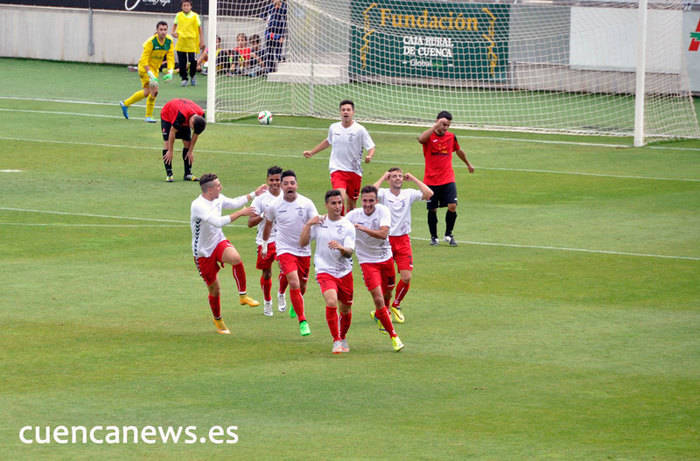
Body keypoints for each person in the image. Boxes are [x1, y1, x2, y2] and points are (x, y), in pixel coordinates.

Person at [190, 173, 267, 335]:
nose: (221, 187)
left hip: (218, 241)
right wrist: (241, 213)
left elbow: (233, 203)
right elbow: (217, 222)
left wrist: (254, 193)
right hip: (203, 252)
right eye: (218, 185)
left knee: (236, 258)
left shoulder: (217, 198)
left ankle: (243, 295)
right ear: (209, 190)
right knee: (214, 289)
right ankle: (218, 320)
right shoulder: (198, 205)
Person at [346, 185, 405, 352]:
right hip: (367, 262)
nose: (367, 204)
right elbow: (338, 224)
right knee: (378, 298)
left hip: (385, 259)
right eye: (364, 201)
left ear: (376, 201)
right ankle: (394, 336)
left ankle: (381, 314)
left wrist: (363, 228)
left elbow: (384, 234)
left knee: (387, 294)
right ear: (361, 201)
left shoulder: (383, 211)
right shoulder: (353, 216)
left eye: (371, 201)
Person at [373, 168, 433, 323]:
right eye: (394, 176)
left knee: (406, 277)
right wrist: (382, 177)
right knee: (386, 280)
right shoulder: (384, 193)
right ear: (389, 179)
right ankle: (383, 308)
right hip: (385, 240)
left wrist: (413, 178)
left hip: (403, 241)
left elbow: (429, 194)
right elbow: (369, 193)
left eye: (399, 176)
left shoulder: (409, 193)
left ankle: (396, 305)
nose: (398, 178)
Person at [262, 170, 318, 336]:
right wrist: (265, 244)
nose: (289, 186)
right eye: (285, 184)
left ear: (296, 185)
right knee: (293, 282)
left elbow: (315, 221)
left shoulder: (306, 203)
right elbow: (268, 225)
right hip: (285, 249)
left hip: (304, 249)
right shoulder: (275, 206)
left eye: (292, 183)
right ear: (281, 186)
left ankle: (296, 302)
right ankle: (303, 321)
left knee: (302, 286)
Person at [299, 190, 356, 354]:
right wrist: (309, 224)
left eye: (340, 203)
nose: (338, 206)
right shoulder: (319, 223)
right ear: (326, 205)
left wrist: (340, 248)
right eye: (334, 203)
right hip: (324, 270)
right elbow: (302, 243)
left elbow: (350, 251)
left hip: (344, 272)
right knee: (331, 302)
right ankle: (336, 340)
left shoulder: (347, 226)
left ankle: (343, 336)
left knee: (345, 309)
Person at [303, 100, 376, 214]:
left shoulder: (360, 130)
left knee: (352, 206)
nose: (345, 112)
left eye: (348, 110)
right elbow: (328, 141)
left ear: (353, 112)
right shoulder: (334, 127)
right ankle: (340, 224)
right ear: (340, 112)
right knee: (340, 198)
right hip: (337, 169)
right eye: (343, 110)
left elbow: (371, 146)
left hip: (354, 171)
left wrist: (369, 156)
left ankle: (349, 226)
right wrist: (312, 152)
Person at [418, 110, 475, 247]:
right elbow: (421, 139)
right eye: (443, 124)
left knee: (453, 206)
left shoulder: (451, 137)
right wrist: (434, 127)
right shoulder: (429, 137)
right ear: (437, 121)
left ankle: (448, 234)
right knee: (432, 209)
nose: (445, 128)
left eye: (447, 125)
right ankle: (434, 237)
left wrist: (468, 163)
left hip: (448, 178)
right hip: (431, 180)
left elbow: (458, 150)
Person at [247, 166, 288, 317]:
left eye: (277, 180)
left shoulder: (288, 195)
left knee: (286, 269)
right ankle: (267, 301)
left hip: (284, 239)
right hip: (265, 240)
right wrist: (263, 215)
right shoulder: (260, 199)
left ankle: (281, 293)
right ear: (267, 180)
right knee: (267, 273)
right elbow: (250, 223)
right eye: (272, 180)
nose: (275, 183)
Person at [120, 21, 174, 123]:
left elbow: (170, 57)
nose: (163, 32)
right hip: (145, 68)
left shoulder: (169, 41)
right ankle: (148, 116)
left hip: (155, 69)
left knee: (146, 92)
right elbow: (144, 59)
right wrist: (150, 73)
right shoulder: (151, 42)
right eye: (161, 30)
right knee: (154, 90)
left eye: (165, 30)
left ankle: (125, 104)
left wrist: (170, 71)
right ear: (156, 31)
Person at [160, 98, 206, 182]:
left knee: (187, 144)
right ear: (191, 122)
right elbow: (172, 132)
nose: (191, 129)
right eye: (191, 128)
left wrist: (190, 151)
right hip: (168, 114)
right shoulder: (181, 116)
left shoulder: (201, 116)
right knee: (167, 144)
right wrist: (170, 150)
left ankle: (188, 174)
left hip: (184, 115)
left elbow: (196, 134)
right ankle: (169, 174)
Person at [172, 0, 204, 86]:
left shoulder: (195, 16)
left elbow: (199, 29)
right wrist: (173, 32)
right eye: (184, 5)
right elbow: (175, 24)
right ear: (182, 7)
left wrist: (202, 40)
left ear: (191, 6)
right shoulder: (178, 15)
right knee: (182, 62)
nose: (186, 7)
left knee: (193, 61)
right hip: (181, 41)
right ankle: (184, 78)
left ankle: (192, 75)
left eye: (188, 5)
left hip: (192, 42)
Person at [263, 0, 287, 73]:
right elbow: (264, 17)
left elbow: (285, 23)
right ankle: (269, 71)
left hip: (279, 33)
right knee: (269, 53)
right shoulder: (269, 7)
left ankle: (281, 69)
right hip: (269, 33)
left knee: (277, 53)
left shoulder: (284, 8)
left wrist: (282, 36)